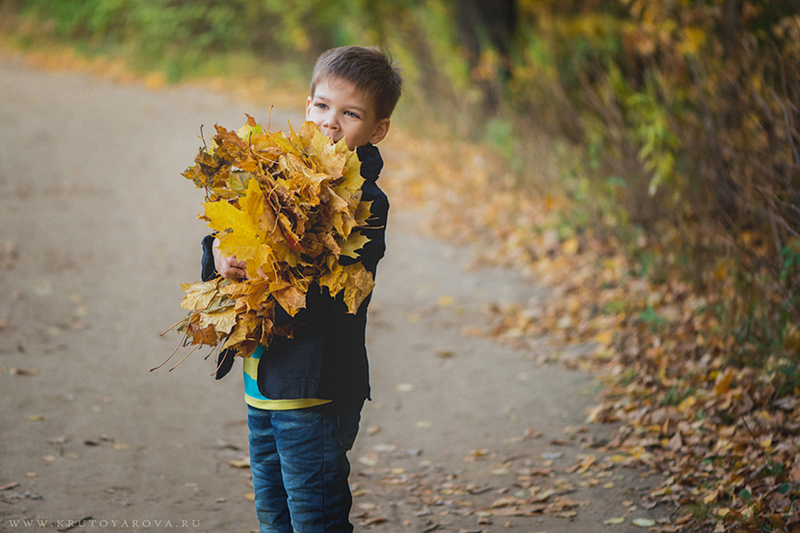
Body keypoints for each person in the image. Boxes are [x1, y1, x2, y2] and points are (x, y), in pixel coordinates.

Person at [199, 46, 403, 533]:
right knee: (273, 514)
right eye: (322, 106)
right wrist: (222, 255)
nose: (331, 122)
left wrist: (267, 269)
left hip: (316, 388)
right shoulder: (272, 175)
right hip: (262, 382)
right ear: (306, 104)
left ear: (377, 129)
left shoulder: (365, 202)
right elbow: (231, 234)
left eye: (350, 113)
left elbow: (335, 293)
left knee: (316, 516)